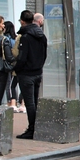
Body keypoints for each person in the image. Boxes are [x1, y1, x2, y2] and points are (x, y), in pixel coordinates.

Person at [13, 10, 48, 139]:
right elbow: (44, 55)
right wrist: (39, 67)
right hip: (38, 72)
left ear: (22, 21)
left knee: (29, 102)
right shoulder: (42, 36)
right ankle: (35, 127)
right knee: (34, 101)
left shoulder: (26, 37)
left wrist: (17, 69)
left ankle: (32, 129)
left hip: (27, 73)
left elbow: (22, 57)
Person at [3, 21, 19, 111]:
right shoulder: (16, 38)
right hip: (16, 64)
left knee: (9, 84)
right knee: (15, 84)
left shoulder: (6, 39)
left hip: (8, 64)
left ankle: (10, 102)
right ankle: (15, 102)